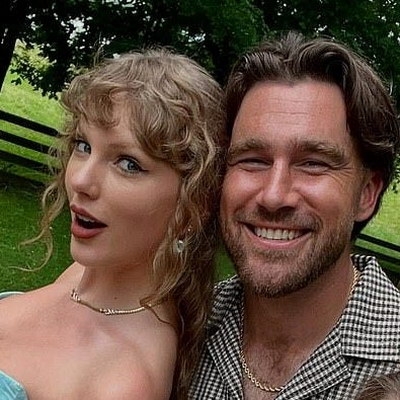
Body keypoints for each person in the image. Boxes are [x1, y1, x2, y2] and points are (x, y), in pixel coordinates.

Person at [0, 48, 227, 400]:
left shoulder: (123, 382)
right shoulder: (87, 277)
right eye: (83, 145)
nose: (81, 181)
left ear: (191, 207)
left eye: (128, 164)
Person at [189, 31, 400, 399]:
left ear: (367, 194)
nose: (274, 195)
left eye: (313, 163)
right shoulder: (183, 327)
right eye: (253, 160)